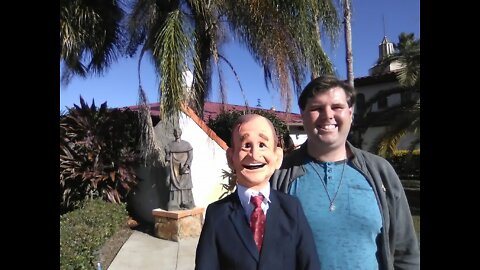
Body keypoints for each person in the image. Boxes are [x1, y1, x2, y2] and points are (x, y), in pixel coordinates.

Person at [271, 75, 420, 269]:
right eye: (316, 108)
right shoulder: (279, 175)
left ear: (350, 113)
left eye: (337, 107)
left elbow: (405, 253)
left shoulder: (380, 172)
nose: (327, 115)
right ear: (303, 114)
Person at [195, 114, 320, 270]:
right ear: (231, 157)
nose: (254, 154)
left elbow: (310, 264)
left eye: (262, 144)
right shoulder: (217, 214)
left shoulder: (292, 208)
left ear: (277, 157)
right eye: (246, 145)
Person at [165, 127, 195, 210]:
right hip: (174, 170)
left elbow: (190, 156)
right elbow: (167, 159)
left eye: (178, 132)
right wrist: (167, 154)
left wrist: (186, 166)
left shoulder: (187, 145)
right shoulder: (170, 145)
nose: (177, 134)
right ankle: (174, 203)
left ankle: (186, 202)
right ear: (174, 134)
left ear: (180, 133)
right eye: (175, 132)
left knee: (186, 185)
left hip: (184, 169)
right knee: (174, 187)